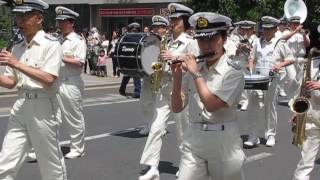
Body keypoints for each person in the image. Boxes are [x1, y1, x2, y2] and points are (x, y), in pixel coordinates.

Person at [171, 12, 246, 180]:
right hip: (194, 138)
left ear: (224, 39)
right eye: (202, 40)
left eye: (212, 39)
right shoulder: (195, 67)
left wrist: (196, 74)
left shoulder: (234, 71)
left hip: (223, 140)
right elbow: (177, 107)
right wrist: (177, 78)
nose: (206, 46)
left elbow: (212, 105)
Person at [0, 0, 67, 179]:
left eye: (24, 16)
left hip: (43, 107)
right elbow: (10, 82)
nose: (19, 21)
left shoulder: (51, 44)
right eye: (17, 16)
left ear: (38, 18)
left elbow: (49, 79)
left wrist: (17, 63)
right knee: (5, 162)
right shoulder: (18, 47)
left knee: (50, 164)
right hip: (20, 105)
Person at [139, 3, 199, 180]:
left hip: (181, 90)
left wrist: (175, 57)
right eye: (171, 19)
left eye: (176, 19)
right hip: (164, 88)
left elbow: (195, 64)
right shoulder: (167, 41)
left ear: (185, 21)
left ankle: (186, 164)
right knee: (156, 128)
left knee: (183, 131)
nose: (172, 22)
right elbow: (162, 64)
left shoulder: (191, 42)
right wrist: (152, 66)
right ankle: (152, 167)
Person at [245, 16, 295, 147]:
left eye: (269, 29)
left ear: (275, 29)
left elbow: (291, 58)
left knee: (270, 107)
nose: (266, 32)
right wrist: (250, 68)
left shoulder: (280, 42)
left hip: (272, 79)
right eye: (264, 29)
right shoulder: (257, 42)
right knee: (253, 107)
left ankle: (270, 135)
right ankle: (253, 135)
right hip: (257, 78)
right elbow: (251, 58)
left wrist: (280, 65)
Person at [55, 6, 87, 159]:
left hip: (71, 83)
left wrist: (60, 56)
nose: (60, 24)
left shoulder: (78, 40)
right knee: (52, 117)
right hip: (56, 82)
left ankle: (78, 148)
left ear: (71, 23)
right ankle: (49, 147)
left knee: (73, 117)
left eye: (63, 21)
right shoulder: (58, 39)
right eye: (59, 21)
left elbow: (80, 62)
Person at [137, 15, 170, 136]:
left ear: (165, 28)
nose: (155, 30)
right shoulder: (148, 39)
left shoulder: (169, 41)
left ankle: (160, 125)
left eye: (158, 27)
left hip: (162, 76)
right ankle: (148, 123)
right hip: (148, 75)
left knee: (159, 103)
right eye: (154, 27)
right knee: (145, 101)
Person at [292, 48, 320, 180]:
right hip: (314, 117)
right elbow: (305, 88)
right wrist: (298, 110)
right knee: (305, 162)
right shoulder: (313, 62)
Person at [282, 16, 311, 98]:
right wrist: (295, 31)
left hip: (300, 59)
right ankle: (288, 95)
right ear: (290, 24)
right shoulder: (286, 32)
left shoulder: (303, 33)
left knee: (299, 80)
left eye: (297, 24)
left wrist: (304, 35)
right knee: (292, 78)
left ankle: (295, 98)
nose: (296, 25)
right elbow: (283, 39)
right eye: (294, 24)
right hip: (289, 58)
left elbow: (307, 44)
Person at [118, 22, 142, 98]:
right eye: (133, 30)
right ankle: (135, 91)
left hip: (132, 58)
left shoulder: (126, 37)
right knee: (130, 74)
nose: (134, 31)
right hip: (130, 58)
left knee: (130, 74)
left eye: (135, 30)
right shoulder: (138, 37)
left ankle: (124, 89)